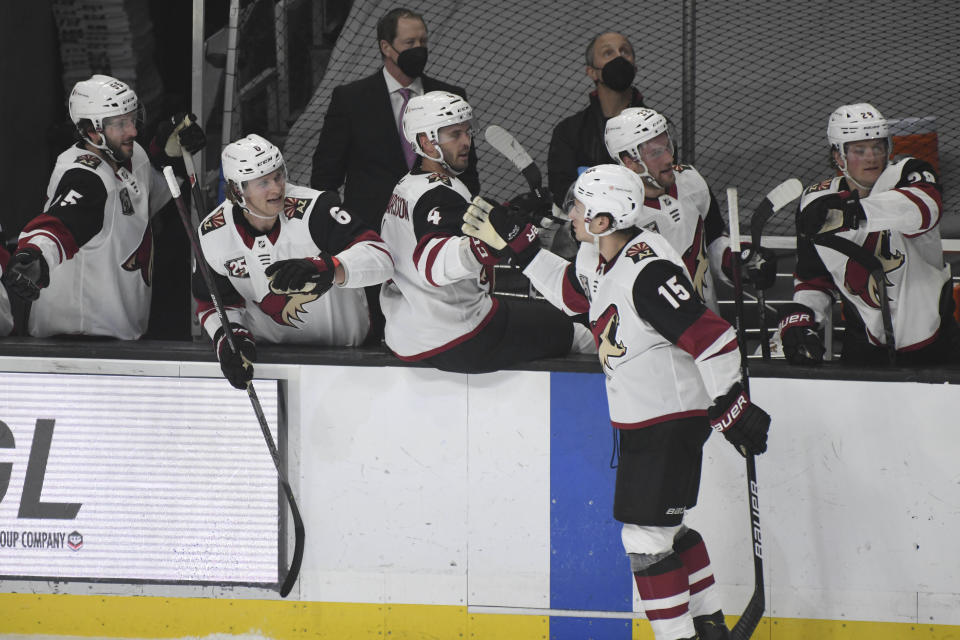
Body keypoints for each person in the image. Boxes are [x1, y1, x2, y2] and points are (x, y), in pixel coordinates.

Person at [471, 164, 770, 640]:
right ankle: (708, 626)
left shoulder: (647, 270)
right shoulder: (599, 256)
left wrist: (730, 403)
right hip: (647, 419)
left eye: (580, 207)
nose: (571, 213)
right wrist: (521, 249)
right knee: (669, 532)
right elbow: (573, 296)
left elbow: (714, 338)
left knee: (644, 538)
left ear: (605, 221)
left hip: (669, 418)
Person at [380, 91, 593, 373]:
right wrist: (485, 246)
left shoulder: (408, 186)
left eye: (467, 131)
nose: (466, 141)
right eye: (454, 134)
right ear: (425, 142)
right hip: (460, 336)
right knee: (577, 331)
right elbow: (433, 263)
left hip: (408, 331)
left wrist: (511, 214)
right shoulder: (439, 195)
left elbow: (456, 224)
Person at [311, 7, 480, 341]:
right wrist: (340, 237)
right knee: (376, 331)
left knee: (440, 329)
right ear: (386, 47)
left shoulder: (449, 97)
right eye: (409, 41)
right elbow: (326, 177)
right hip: (371, 238)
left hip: (438, 236)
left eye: (423, 40)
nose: (419, 48)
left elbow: (468, 174)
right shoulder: (350, 99)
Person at [1, 74, 204, 339]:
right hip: (79, 341)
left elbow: (143, 201)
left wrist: (169, 156)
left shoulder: (132, 155)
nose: (132, 130)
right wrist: (35, 255)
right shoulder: (85, 178)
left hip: (121, 330)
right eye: (120, 124)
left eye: (132, 119)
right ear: (91, 131)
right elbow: (61, 223)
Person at [194, 134, 394, 389]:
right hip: (274, 362)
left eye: (278, 176)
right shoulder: (213, 234)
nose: (277, 189)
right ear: (237, 190)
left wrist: (329, 268)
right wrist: (231, 339)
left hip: (349, 356)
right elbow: (213, 303)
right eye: (263, 182)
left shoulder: (316, 209)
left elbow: (381, 257)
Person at [780, 103, 957, 366]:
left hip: (937, 345)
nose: (872, 157)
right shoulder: (815, 203)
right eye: (859, 150)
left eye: (878, 147)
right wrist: (803, 319)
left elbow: (925, 209)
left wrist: (849, 213)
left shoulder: (909, 173)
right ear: (839, 157)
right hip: (863, 349)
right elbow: (814, 280)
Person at [604, 107, 777, 312]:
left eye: (667, 145)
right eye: (656, 153)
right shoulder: (613, 214)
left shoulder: (691, 181)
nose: (668, 158)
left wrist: (731, 257)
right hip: (655, 336)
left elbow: (712, 238)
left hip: (709, 330)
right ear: (630, 162)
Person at [547, 31, 646, 212]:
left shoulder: (657, 128)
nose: (619, 58)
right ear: (592, 72)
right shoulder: (569, 132)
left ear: (635, 67)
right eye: (608, 53)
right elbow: (563, 192)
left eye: (625, 52)